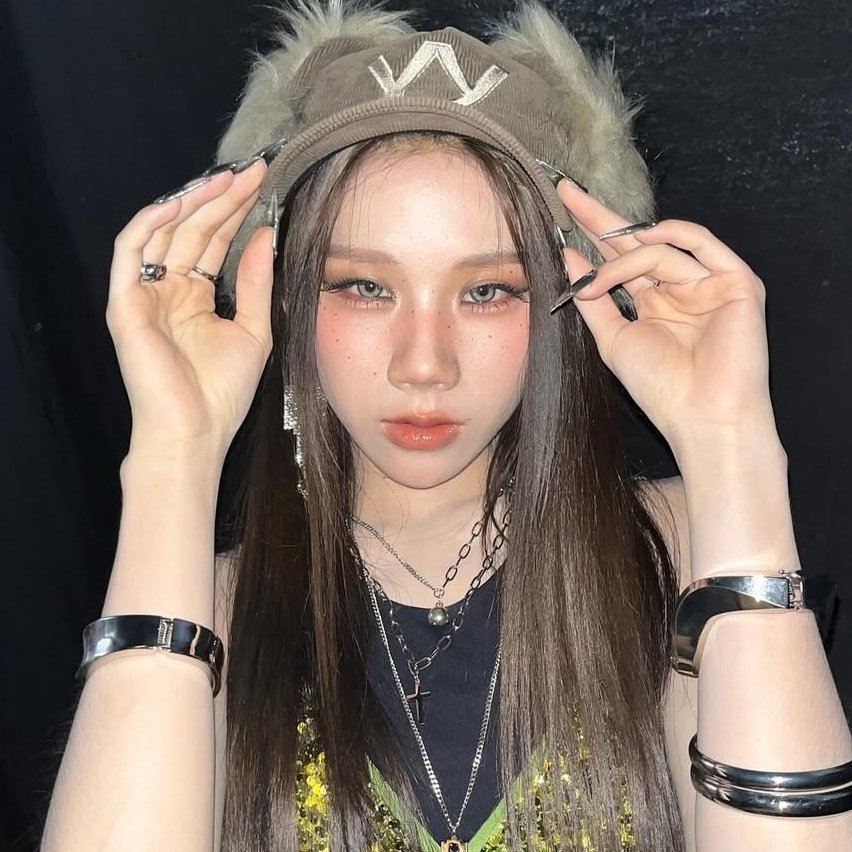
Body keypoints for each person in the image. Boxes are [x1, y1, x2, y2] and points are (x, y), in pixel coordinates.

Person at [40, 2, 852, 851]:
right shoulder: (206, 609)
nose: (423, 364)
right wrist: (174, 455)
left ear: (568, 304)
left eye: (487, 290)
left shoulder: (683, 554)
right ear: (284, 298)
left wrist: (730, 446)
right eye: (364, 287)